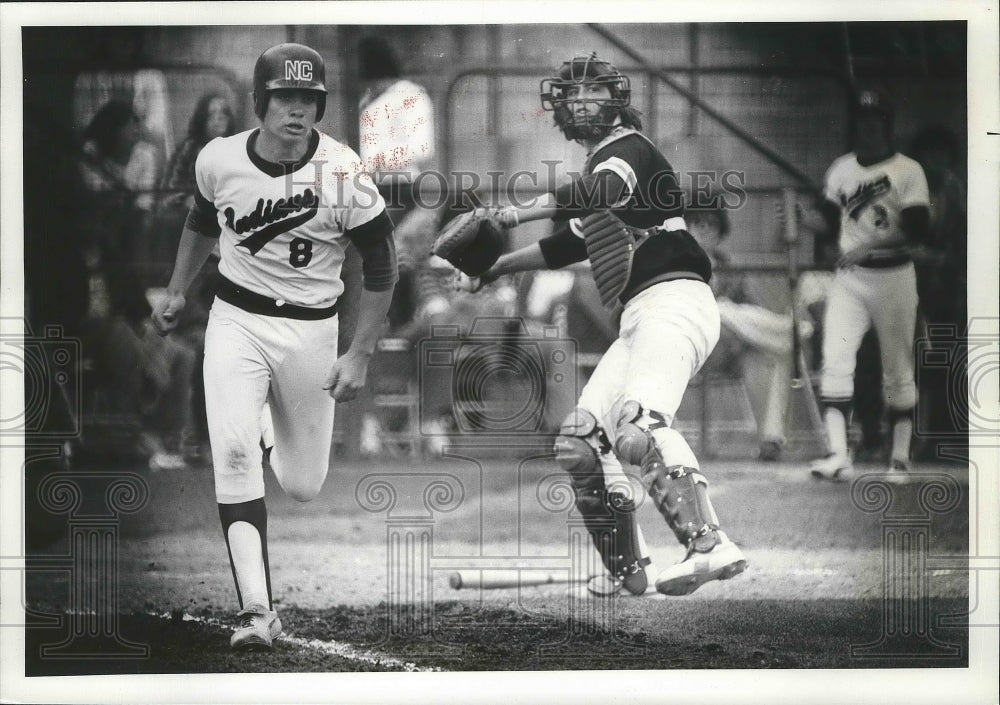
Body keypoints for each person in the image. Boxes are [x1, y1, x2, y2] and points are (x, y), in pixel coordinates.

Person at [452, 53, 747, 597]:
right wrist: (493, 267)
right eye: (572, 94)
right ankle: (630, 570)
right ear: (559, 109)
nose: (582, 100)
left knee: (640, 425)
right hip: (642, 315)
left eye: (593, 91)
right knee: (580, 441)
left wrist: (513, 213)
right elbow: (571, 243)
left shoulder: (627, 149)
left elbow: (600, 193)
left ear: (616, 100)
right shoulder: (600, 170)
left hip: (675, 301)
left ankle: (710, 545)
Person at [151, 43, 397, 650]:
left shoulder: (343, 171)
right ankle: (257, 611)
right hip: (236, 320)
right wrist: (179, 290)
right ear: (261, 101)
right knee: (231, 457)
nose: (297, 108)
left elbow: (383, 263)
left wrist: (360, 351)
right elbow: (201, 223)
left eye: (309, 98)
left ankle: (266, 424)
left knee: (304, 483)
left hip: (313, 330)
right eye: (284, 96)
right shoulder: (219, 159)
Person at [800, 89, 930, 484]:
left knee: (897, 368)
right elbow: (826, 222)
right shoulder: (841, 169)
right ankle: (838, 453)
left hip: (894, 275)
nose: (868, 127)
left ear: (887, 126)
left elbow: (918, 230)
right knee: (836, 361)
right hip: (850, 279)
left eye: (875, 121)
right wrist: (801, 218)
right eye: (862, 121)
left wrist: (868, 246)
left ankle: (900, 458)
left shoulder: (908, 170)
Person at [687, 201, 796, 462]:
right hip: (688, 348)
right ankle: (788, 332)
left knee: (765, 356)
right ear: (686, 228)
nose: (704, 231)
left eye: (711, 225)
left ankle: (771, 439)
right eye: (697, 224)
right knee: (723, 311)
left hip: (728, 350)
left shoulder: (729, 269)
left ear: (721, 232)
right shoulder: (675, 261)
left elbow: (748, 308)